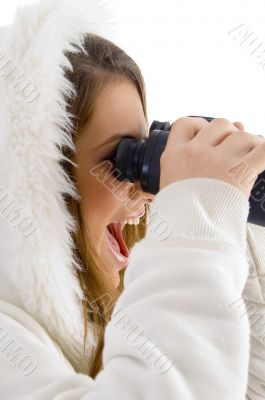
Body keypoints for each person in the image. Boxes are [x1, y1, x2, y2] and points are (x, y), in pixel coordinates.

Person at [0, 0, 265, 398]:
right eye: (116, 158)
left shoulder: (114, 322)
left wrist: (231, 225)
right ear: (33, 187)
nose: (143, 189)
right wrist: (198, 230)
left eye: (142, 153)